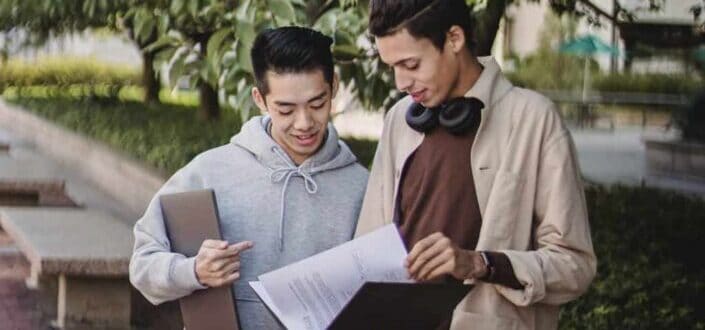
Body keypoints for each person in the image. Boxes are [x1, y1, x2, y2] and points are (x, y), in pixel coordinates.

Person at [355, 1, 597, 329]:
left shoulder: (534, 120)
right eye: (392, 67)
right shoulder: (400, 119)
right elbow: (368, 246)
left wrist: (478, 263)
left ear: (454, 38)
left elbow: (574, 267)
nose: (401, 82)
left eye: (411, 64)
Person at [129, 26, 369, 329]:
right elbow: (142, 265)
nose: (304, 123)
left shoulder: (361, 187)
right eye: (285, 109)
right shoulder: (209, 171)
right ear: (259, 98)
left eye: (317, 104)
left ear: (333, 86)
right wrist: (194, 271)